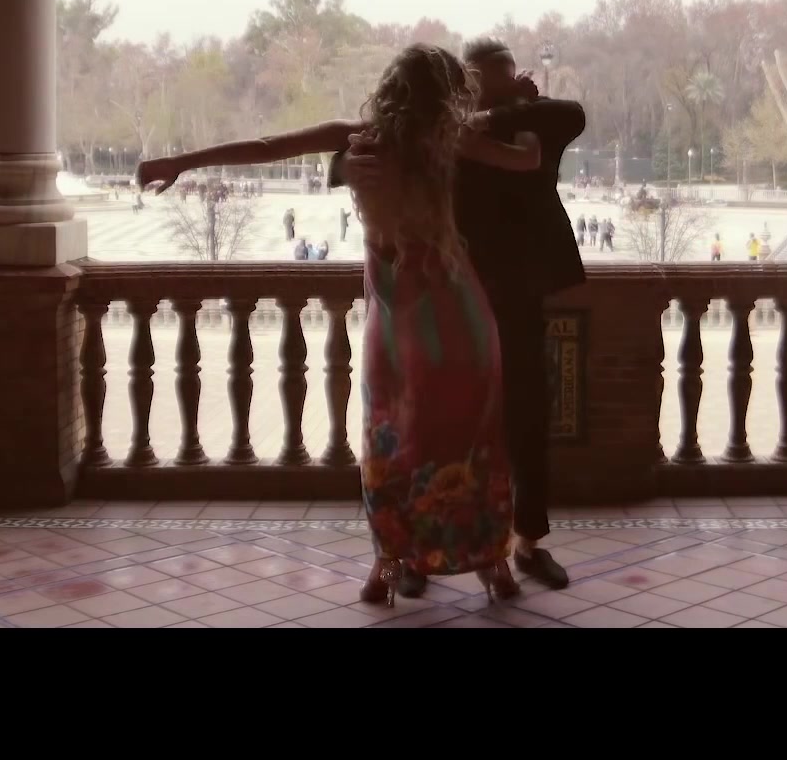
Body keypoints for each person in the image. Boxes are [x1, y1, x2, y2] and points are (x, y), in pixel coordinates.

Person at [138, 44, 532, 605]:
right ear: (448, 96)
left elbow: (267, 146)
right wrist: (518, 105)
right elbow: (526, 161)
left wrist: (178, 162)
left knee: (390, 433)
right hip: (459, 311)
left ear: (392, 87)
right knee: (473, 435)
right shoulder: (452, 139)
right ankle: (493, 564)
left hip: (398, 316)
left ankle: (388, 566)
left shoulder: (357, 139)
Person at [350, 37, 584, 594]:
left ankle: (524, 542)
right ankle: (417, 554)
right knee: (426, 422)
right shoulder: (442, 137)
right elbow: (366, 155)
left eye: (501, 79)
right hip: (450, 294)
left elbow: (568, 115)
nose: (481, 92)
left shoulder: (533, 121)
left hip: (516, 293)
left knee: (523, 420)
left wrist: (508, 109)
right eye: (477, 83)